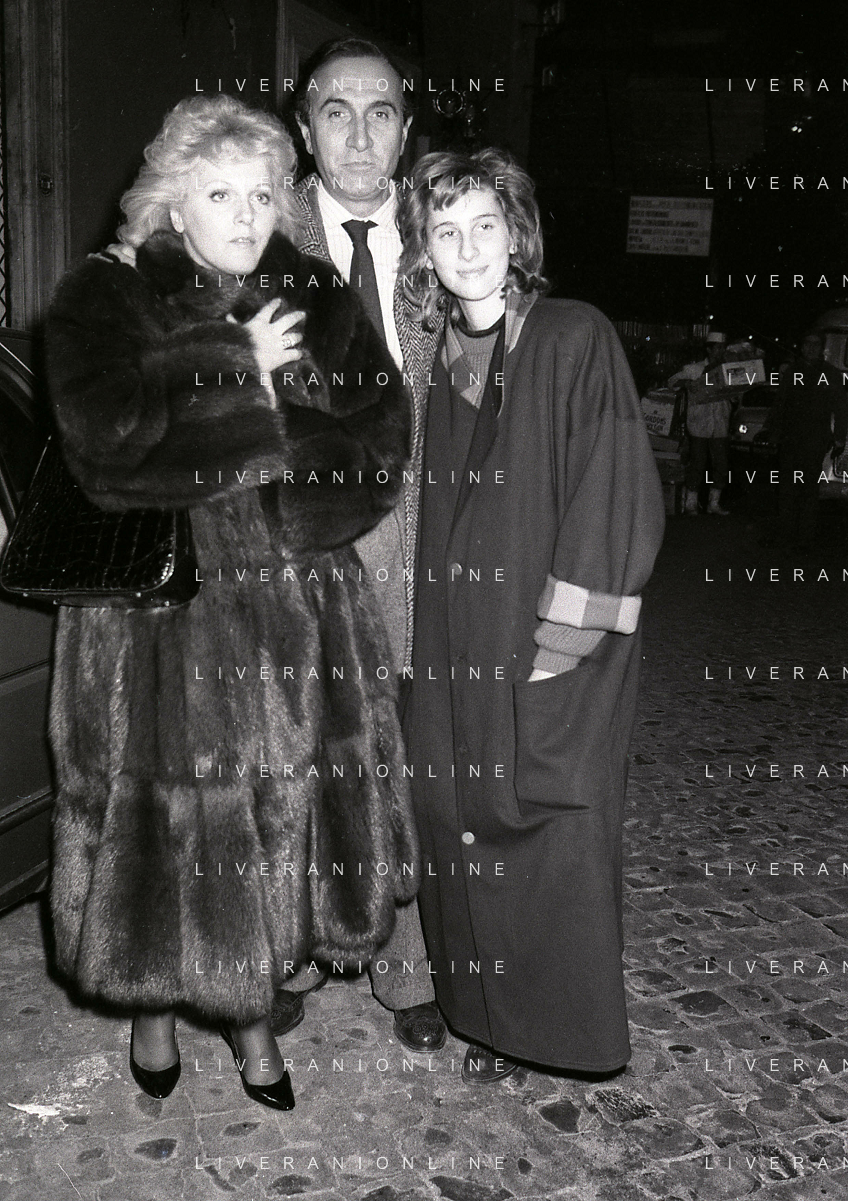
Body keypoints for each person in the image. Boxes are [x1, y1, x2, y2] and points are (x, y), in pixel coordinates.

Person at [45, 94, 418, 1110]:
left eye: (261, 193)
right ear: (173, 202)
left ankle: (254, 1011)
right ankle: (155, 1009)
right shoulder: (107, 295)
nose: (248, 214)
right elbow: (105, 455)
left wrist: (282, 508)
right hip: (161, 618)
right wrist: (232, 369)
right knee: (174, 821)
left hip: (299, 606)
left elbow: (382, 433)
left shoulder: (308, 287)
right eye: (220, 194)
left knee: (276, 823)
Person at [397, 148, 665, 1082]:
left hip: (547, 644)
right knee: (458, 824)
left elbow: (616, 493)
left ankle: (559, 1030)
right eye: (446, 230)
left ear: (517, 236)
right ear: (425, 252)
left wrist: (560, 648)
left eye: (485, 225)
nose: (468, 247)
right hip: (453, 649)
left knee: (554, 834)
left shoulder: (571, 337)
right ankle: (485, 1020)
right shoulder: (435, 368)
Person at [273, 37, 446, 1055]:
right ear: (304, 129)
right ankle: (292, 947)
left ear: (405, 130)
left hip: (417, 539)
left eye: (379, 112)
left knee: (404, 751)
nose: (357, 134)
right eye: (334, 111)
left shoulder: (443, 234)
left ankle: (405, 960)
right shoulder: (252, 231)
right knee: (294, 744)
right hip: (295, 543)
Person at [768, 332, 848, 550]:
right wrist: (773, 433)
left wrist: (839, 438)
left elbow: (841, 407)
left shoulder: (831, 374)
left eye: (815, 344)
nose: (811, 348)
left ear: (822, 348)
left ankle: (805, 539)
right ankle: (784, 535)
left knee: (809, 489)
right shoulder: (792, 372)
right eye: (807, 344)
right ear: (802, 347)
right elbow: (780, 404)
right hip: (791, 438)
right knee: (787, 488)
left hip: (815, 440)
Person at [668, 331, 731, 515]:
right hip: (699, 424)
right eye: (717, 348)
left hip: (720, 424)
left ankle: (714, 503)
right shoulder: (693, 369)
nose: (720, 351)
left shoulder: (729, 369)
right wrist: (687, 383)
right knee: (697, 463)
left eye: (723, 348)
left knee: (721, 465)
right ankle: (691, 503)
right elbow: (672, 382)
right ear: (709, 350)